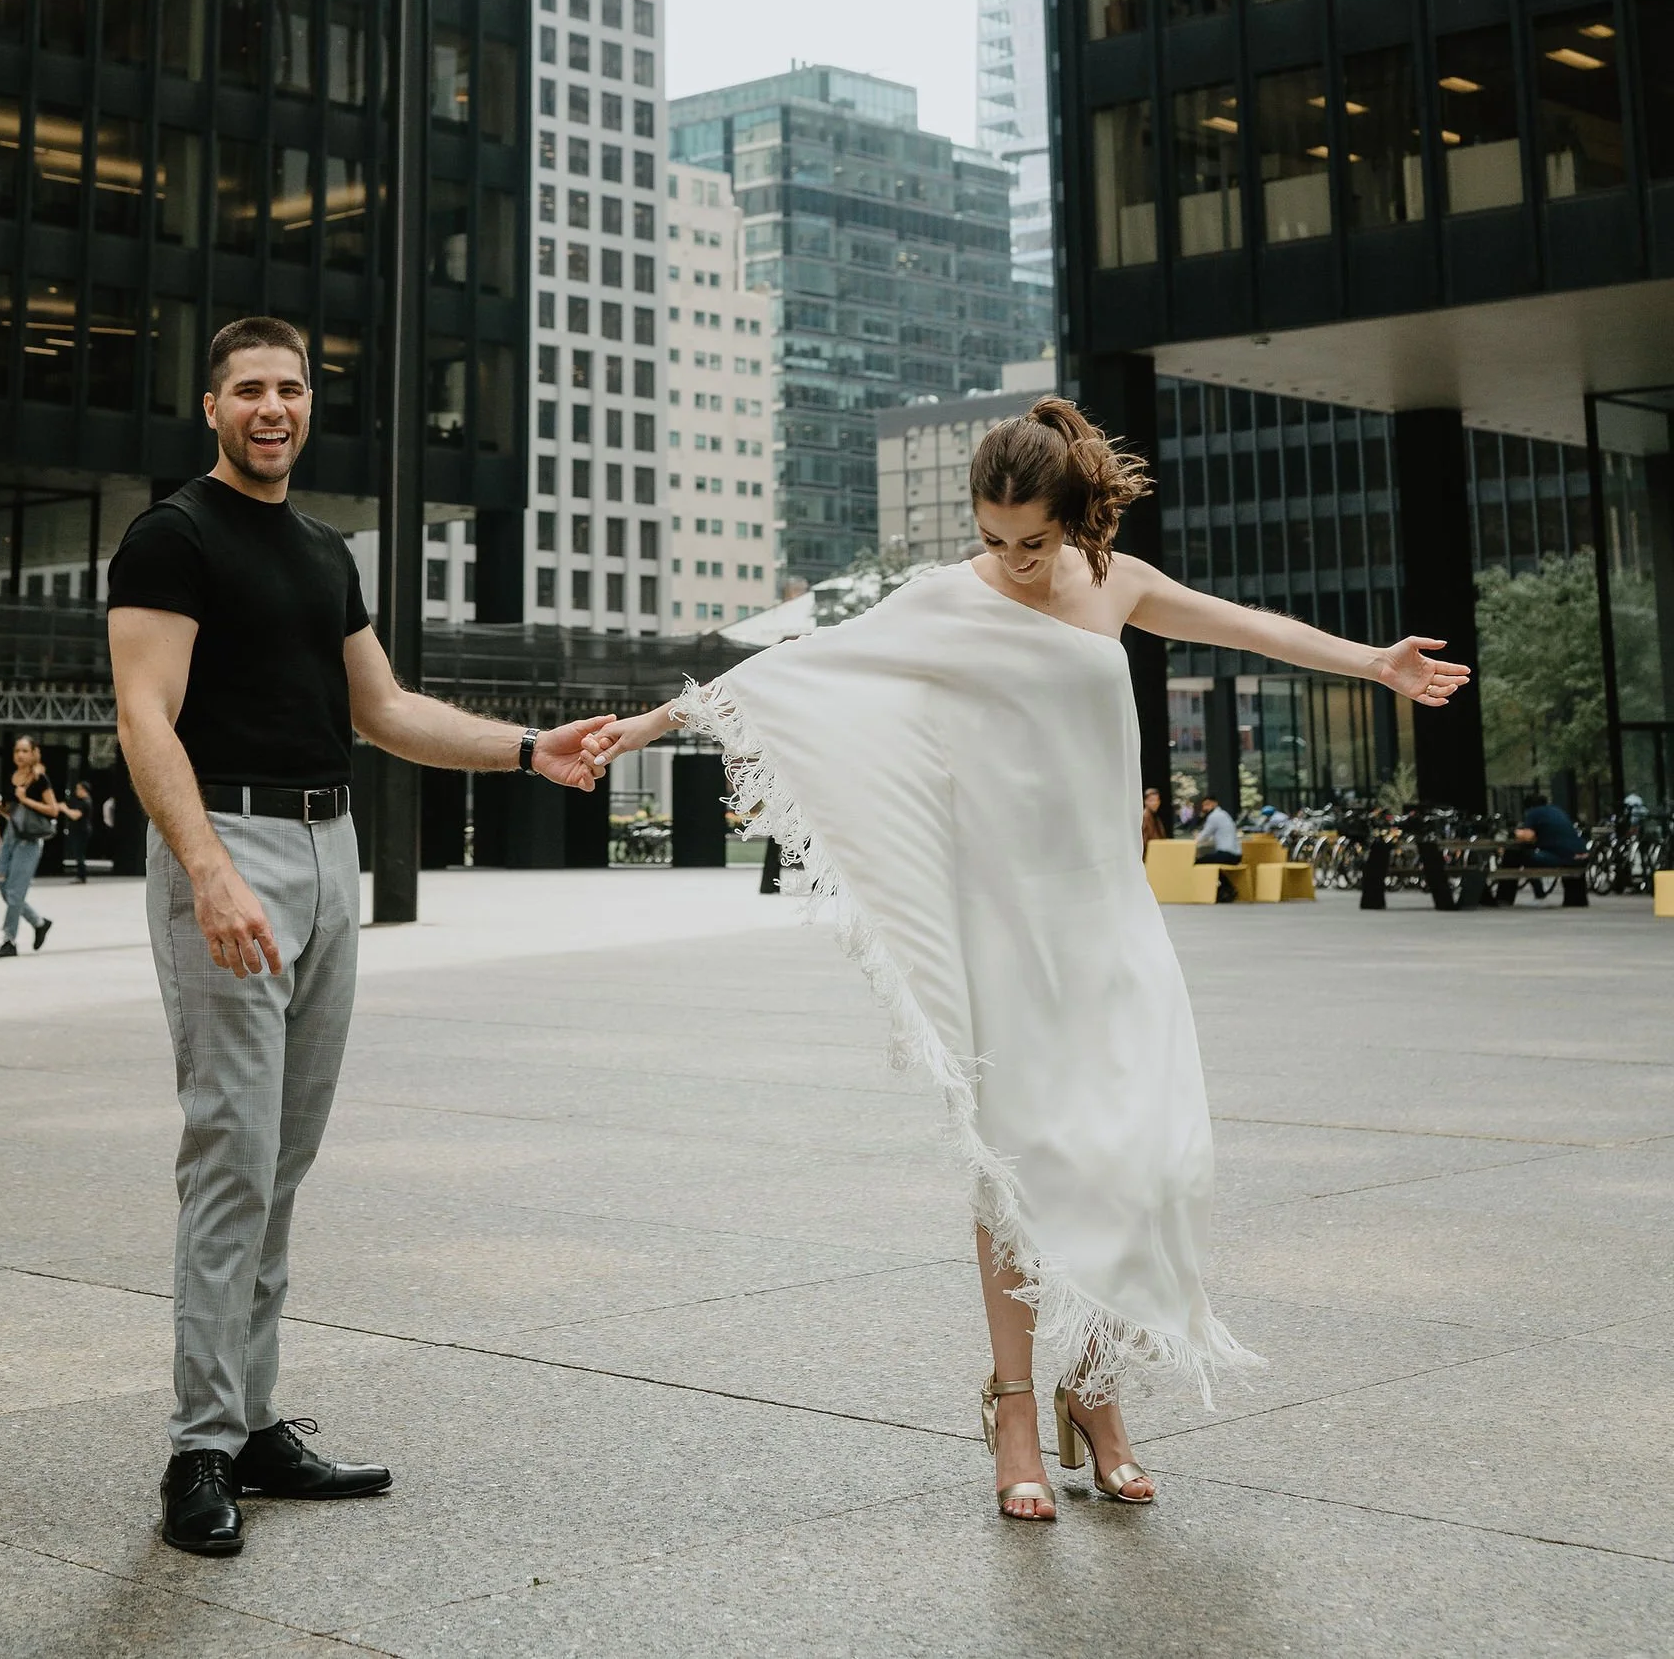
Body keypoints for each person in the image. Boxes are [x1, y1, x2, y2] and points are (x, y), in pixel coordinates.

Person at [584, 395, 1469, 1525]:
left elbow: (1244, 626)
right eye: (993, 538)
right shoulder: (940, 600)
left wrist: (1373, 663)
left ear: (1074, 521)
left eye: (1031, 543)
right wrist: (642, 729)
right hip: (1003, 916)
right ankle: (1014, 1405)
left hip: (1107, 913)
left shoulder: (1117, 584)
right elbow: (787, 669)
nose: (1008, 561)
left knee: (1139, 1151)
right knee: (1017, 1164)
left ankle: (1093, 1390)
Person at [107, 316, 619, 1562]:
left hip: (330, 853)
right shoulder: (170, 538)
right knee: (229, 1150)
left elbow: (380, 710)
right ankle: (197, 1447)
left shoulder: (327, 552)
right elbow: (143, 715)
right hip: (229, 850)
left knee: (283, 1157)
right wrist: (209, 872)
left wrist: (522, 749)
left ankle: (253, 1419)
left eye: (289, 387)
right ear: (212, 406)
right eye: (248, 390)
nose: (271, 407)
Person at [0, 735, 77, 958]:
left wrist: (25, 800)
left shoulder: (40, 779)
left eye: (24, 751)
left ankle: (8, 940)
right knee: (4, 886)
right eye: (16, 751)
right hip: (11, 836)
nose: (20, 755)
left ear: (33, 753)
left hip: (29, 842)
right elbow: (15, 813)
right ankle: (39, 923)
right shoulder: (11, 776)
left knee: (15, 891)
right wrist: (0, 808)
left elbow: (53, 811)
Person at [1512, 794, 1587, 897]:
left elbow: (1528, 836)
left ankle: (1536, 892)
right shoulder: (1557, 810)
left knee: (1518, 856)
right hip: (1582, 855)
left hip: (1563, 857)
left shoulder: (1534, 813)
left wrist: (1514, 833)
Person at [1192, 793, 1242, 899]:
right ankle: (1225, 888)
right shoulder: (1224, 814)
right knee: (1210, 860)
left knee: (1199, 861)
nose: (1205, 808)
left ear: (1215, 804)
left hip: (1227, 854)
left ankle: (1227, 887)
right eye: (1204, 805)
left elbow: (1204, 836)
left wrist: (1195, 840)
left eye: (1207, 804)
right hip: (1236, 854)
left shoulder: (1214, 816)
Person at [68, 777, 96, 884]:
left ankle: (81, 876)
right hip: (80, 830)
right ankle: (80, 875)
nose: (76, 791)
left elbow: (76, 816)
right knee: (78, 853)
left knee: (79, 854)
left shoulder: (85, 802)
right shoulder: (83, 801)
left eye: (78, 789)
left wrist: (64, 809)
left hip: (81, 831)